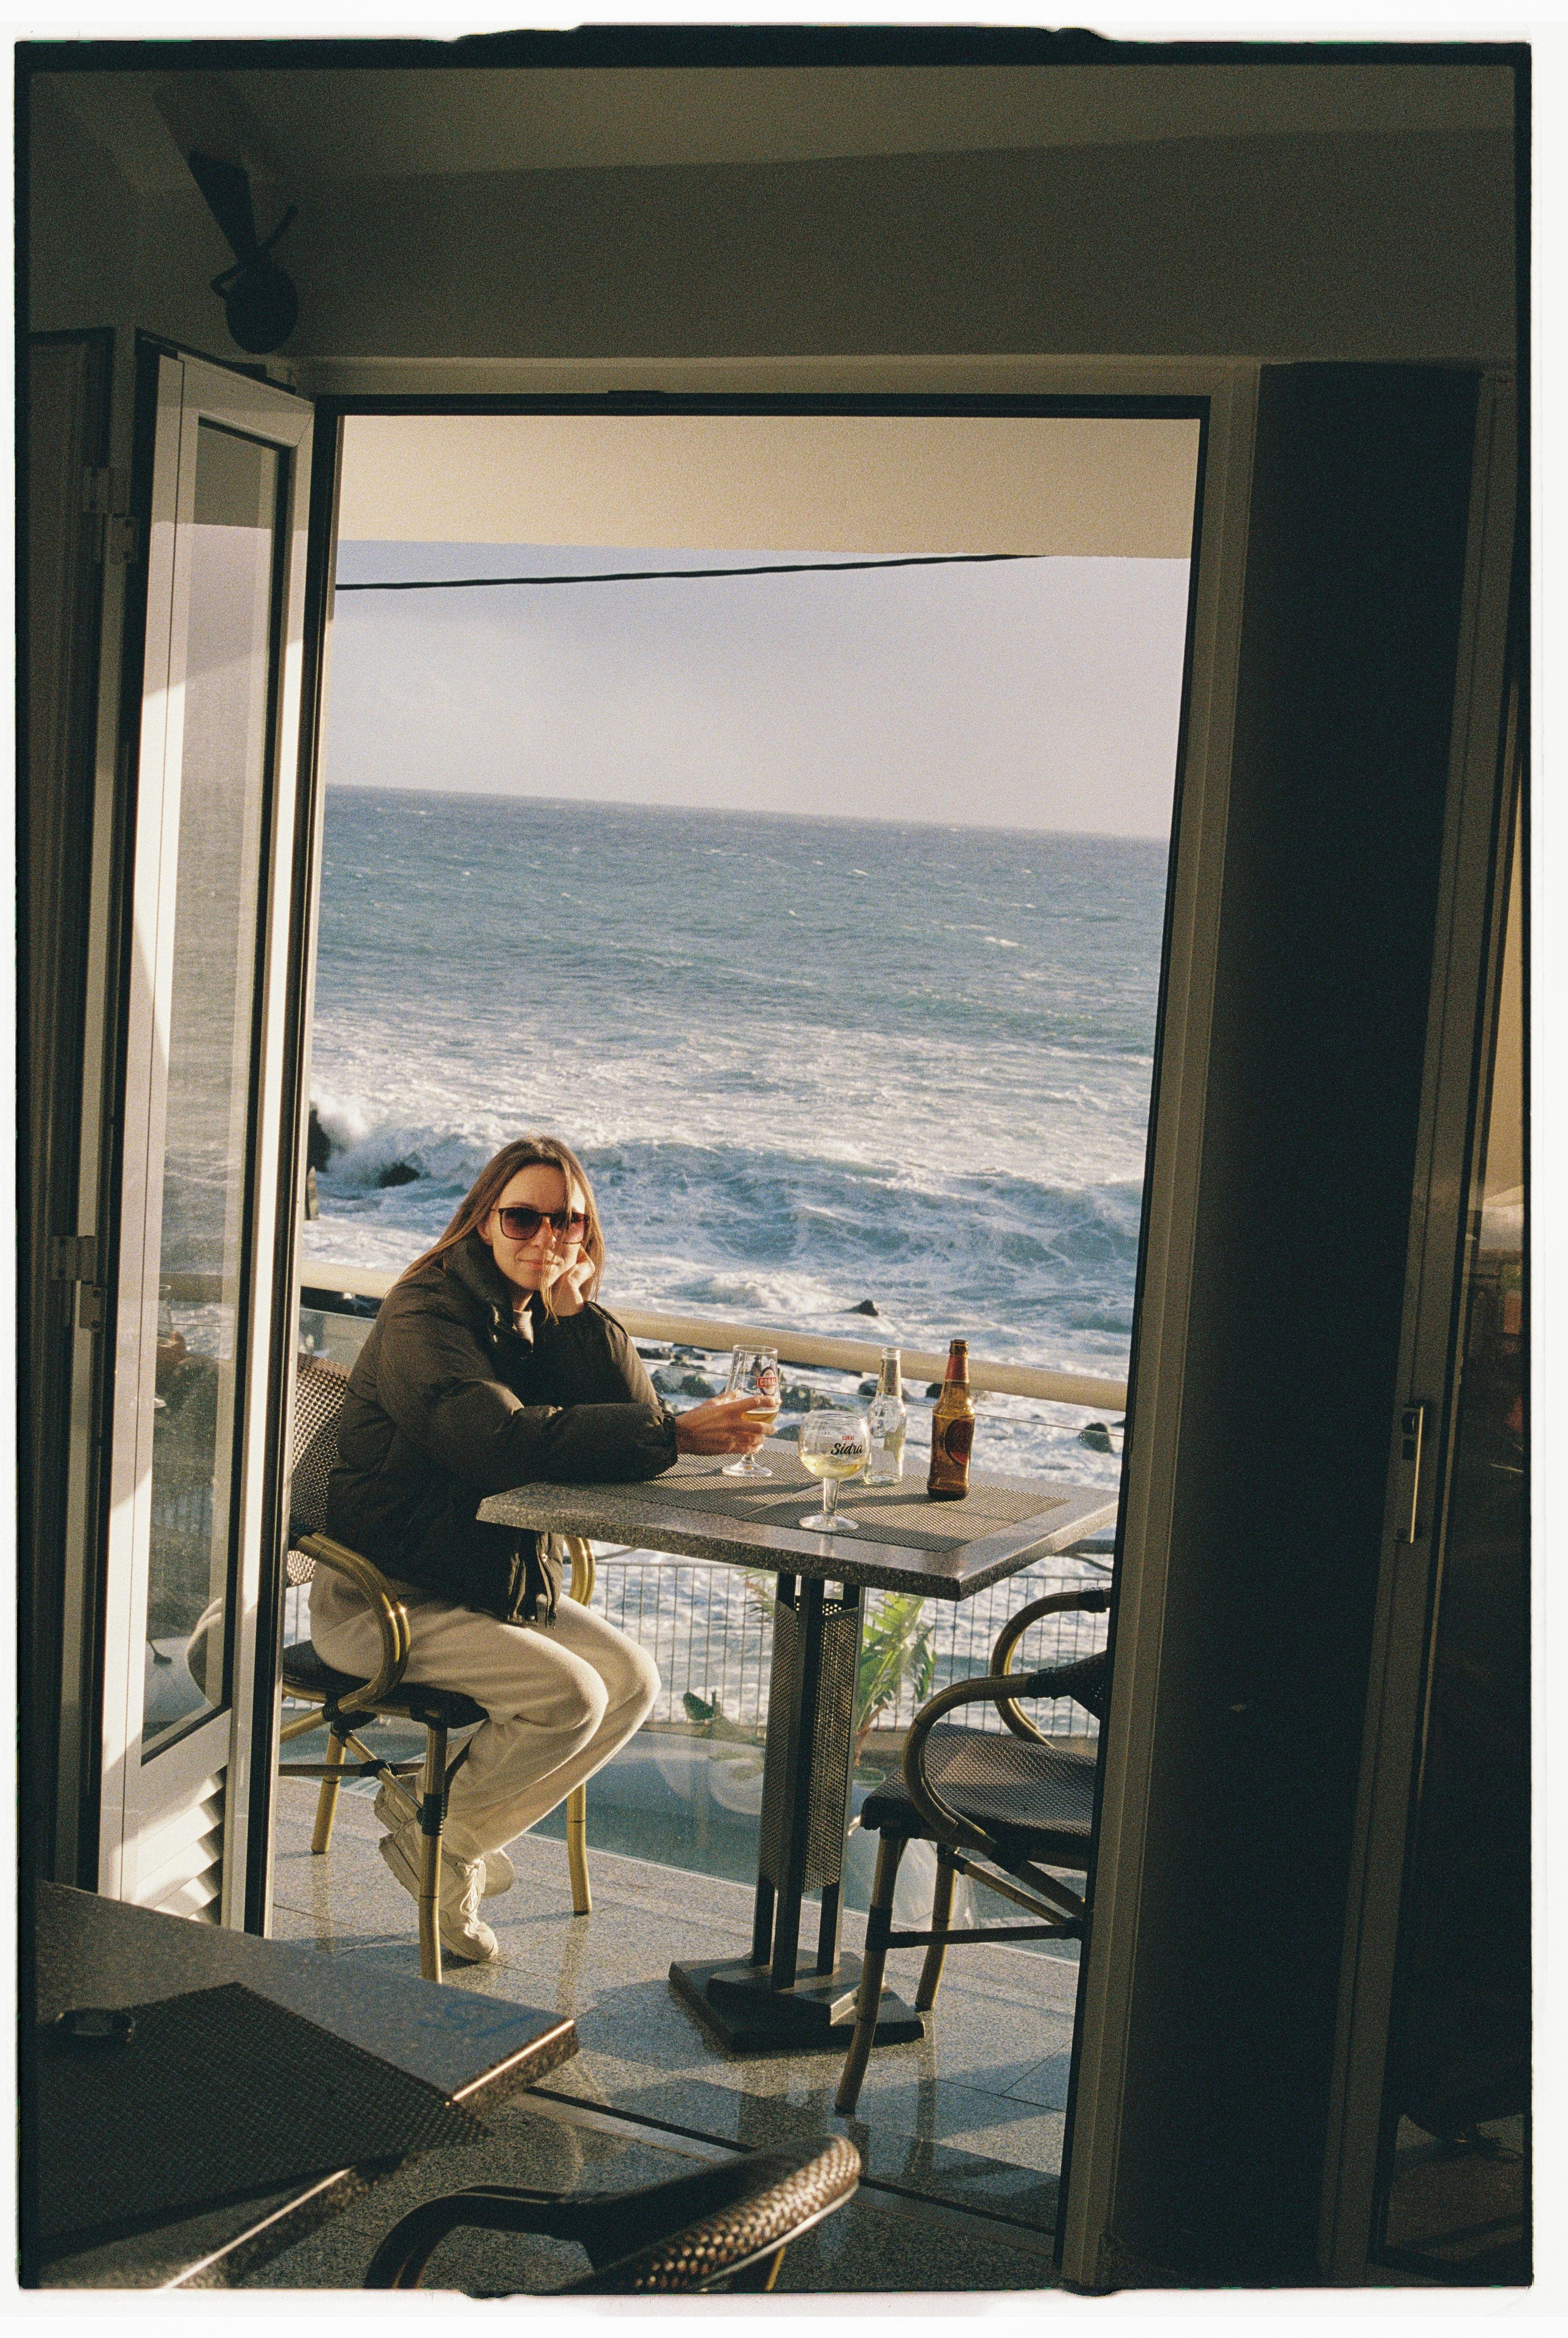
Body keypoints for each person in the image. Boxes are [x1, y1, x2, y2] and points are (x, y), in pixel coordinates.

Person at [311, 1133, 766, 1961]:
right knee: (571, 1698)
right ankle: (444, 1843)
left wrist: (577, 1311)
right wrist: (674, 1437)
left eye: (569, 1222)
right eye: (524, 1217)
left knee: (632, 1681)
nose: (545, 1238)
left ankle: (432, 1823)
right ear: (485, 1218)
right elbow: (495, 1439)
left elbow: (631, 1414)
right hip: (382, 1596)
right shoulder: (427, 1312)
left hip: (479, 1577)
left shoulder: (531, 1316)